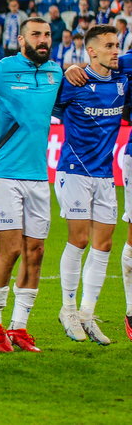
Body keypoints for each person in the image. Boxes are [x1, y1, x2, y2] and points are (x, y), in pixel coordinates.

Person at [0, 16, 61, 353]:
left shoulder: (56, 73)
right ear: (21, 39)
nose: (43, 40)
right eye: (36, 34)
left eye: (47, 35)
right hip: (3, 173)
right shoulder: (0, 70)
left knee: (35, 252)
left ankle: (19, 327)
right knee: (10, 250)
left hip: (39, 176)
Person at [53, 25, 124, 346]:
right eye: (109, 45)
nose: (115, 50)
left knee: (104, 244)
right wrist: (68, 68)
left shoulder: (124, 83)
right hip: (74, 173)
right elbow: (45, 104)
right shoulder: (72, 82)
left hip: (105, 176)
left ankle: (87, 313)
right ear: (91, 50)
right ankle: (67, 309)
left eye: (118, 44)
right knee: (79, 240)